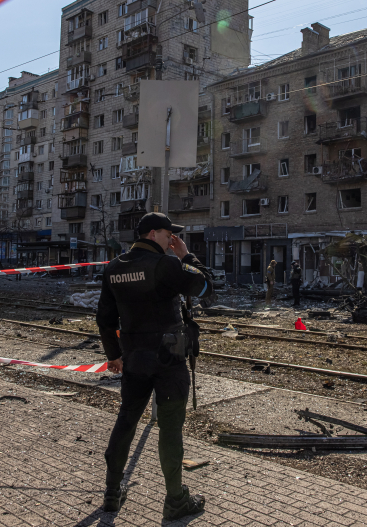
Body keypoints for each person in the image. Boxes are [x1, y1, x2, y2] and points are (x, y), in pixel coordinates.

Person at [97, 212, 212, 520]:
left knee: (126, 420)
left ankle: (111, 493)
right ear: (152, 234)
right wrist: (186, 256)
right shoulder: (166, 264)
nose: (172, 239)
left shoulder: (114, 268)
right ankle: (176, 499)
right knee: (170, 429)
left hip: (134, 360)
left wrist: (113, 355)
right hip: (168, 362)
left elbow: (105, 318)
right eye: (167, 233)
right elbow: (205, 287)